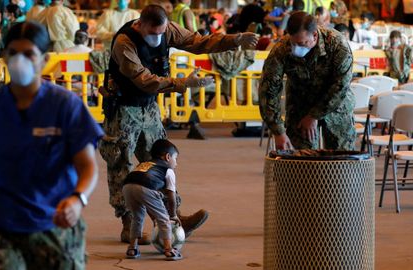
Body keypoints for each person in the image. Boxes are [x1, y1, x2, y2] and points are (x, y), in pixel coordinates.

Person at [0, 21, 103, 270]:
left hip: (53, 224)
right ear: (4, 56)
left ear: (44, 59)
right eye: (13, 53)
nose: (20, 60)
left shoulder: (65, 106)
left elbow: (88, 165)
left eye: (29, 54)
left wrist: (78, 199)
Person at [100, 4, 258, 244]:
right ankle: (129, 222)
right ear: (139, 25)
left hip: (149, 108)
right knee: (120, 163)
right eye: (152, 33)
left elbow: (198, 42)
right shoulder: (125, 43)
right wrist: (183, 83)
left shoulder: (167, 29)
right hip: (123, 109)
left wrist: (235, 40)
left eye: (160, 33)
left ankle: (173, 217)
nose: (157, 38)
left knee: (160, 161)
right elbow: (145, 80)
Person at [259, 11, 355, 150]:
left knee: (342, 161)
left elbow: (341, 86)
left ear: (315, 35)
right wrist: (278, 131)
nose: (296, 48)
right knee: (302, 163)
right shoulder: (282, 49)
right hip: (300, 106)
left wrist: (314, 116)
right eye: (293, 43)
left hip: (336, 107)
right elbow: (268, 90)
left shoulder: (337, 44)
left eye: (302, 43)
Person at [123, 139, 183, 261]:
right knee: (164, 219)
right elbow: (171, 196)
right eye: (175, 158)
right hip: (145, 187)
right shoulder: (168, 170)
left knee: (137, 217)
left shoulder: (145, 164)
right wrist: (173, 215)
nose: (176, 163)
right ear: (167, 157)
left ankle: (132, 248)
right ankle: (169, 249)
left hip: (127, 186)